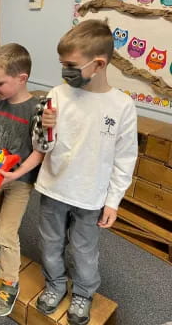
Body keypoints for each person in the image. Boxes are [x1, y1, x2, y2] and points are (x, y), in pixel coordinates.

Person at [34, 19, 138, 325]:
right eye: (62, 63)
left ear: (99, 64)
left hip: (90, 195)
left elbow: (125, 158)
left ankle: (82, 293)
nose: (64, 70)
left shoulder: (122, 106)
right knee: (50, 244)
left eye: (71, 64)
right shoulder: (57, 93)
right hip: (54, 187)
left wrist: (113, 201)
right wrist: (44, 128)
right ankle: (55, 284)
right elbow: (41, 145)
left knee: (84, 250)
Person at [0, 43, 46, 317]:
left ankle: (10, 282)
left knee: (7, 233)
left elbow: (41, 150)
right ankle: (2, 261)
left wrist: (17, 173)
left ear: (21, 79)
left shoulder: (35, 109)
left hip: (19, 182)